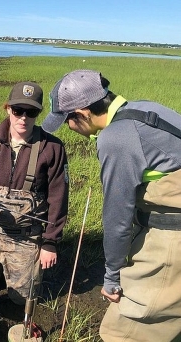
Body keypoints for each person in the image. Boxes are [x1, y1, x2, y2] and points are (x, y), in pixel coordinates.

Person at [42, 69, 181, 341]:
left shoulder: (116, 138)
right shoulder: (147, 109)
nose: (69, 130)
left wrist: (112, 277)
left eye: (67, 121)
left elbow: (117, 219)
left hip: (172, 239)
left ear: (82, 114)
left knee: (127, 330)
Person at [0, 81, 69, 305]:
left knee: (22, 300)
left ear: (38, 113)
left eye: (30, 112)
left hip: (26, 236)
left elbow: (58, 198)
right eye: (18, 110)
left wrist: (50, 243)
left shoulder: (53, 148)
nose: (23, 118)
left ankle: (16, 270)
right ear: (8, 108)